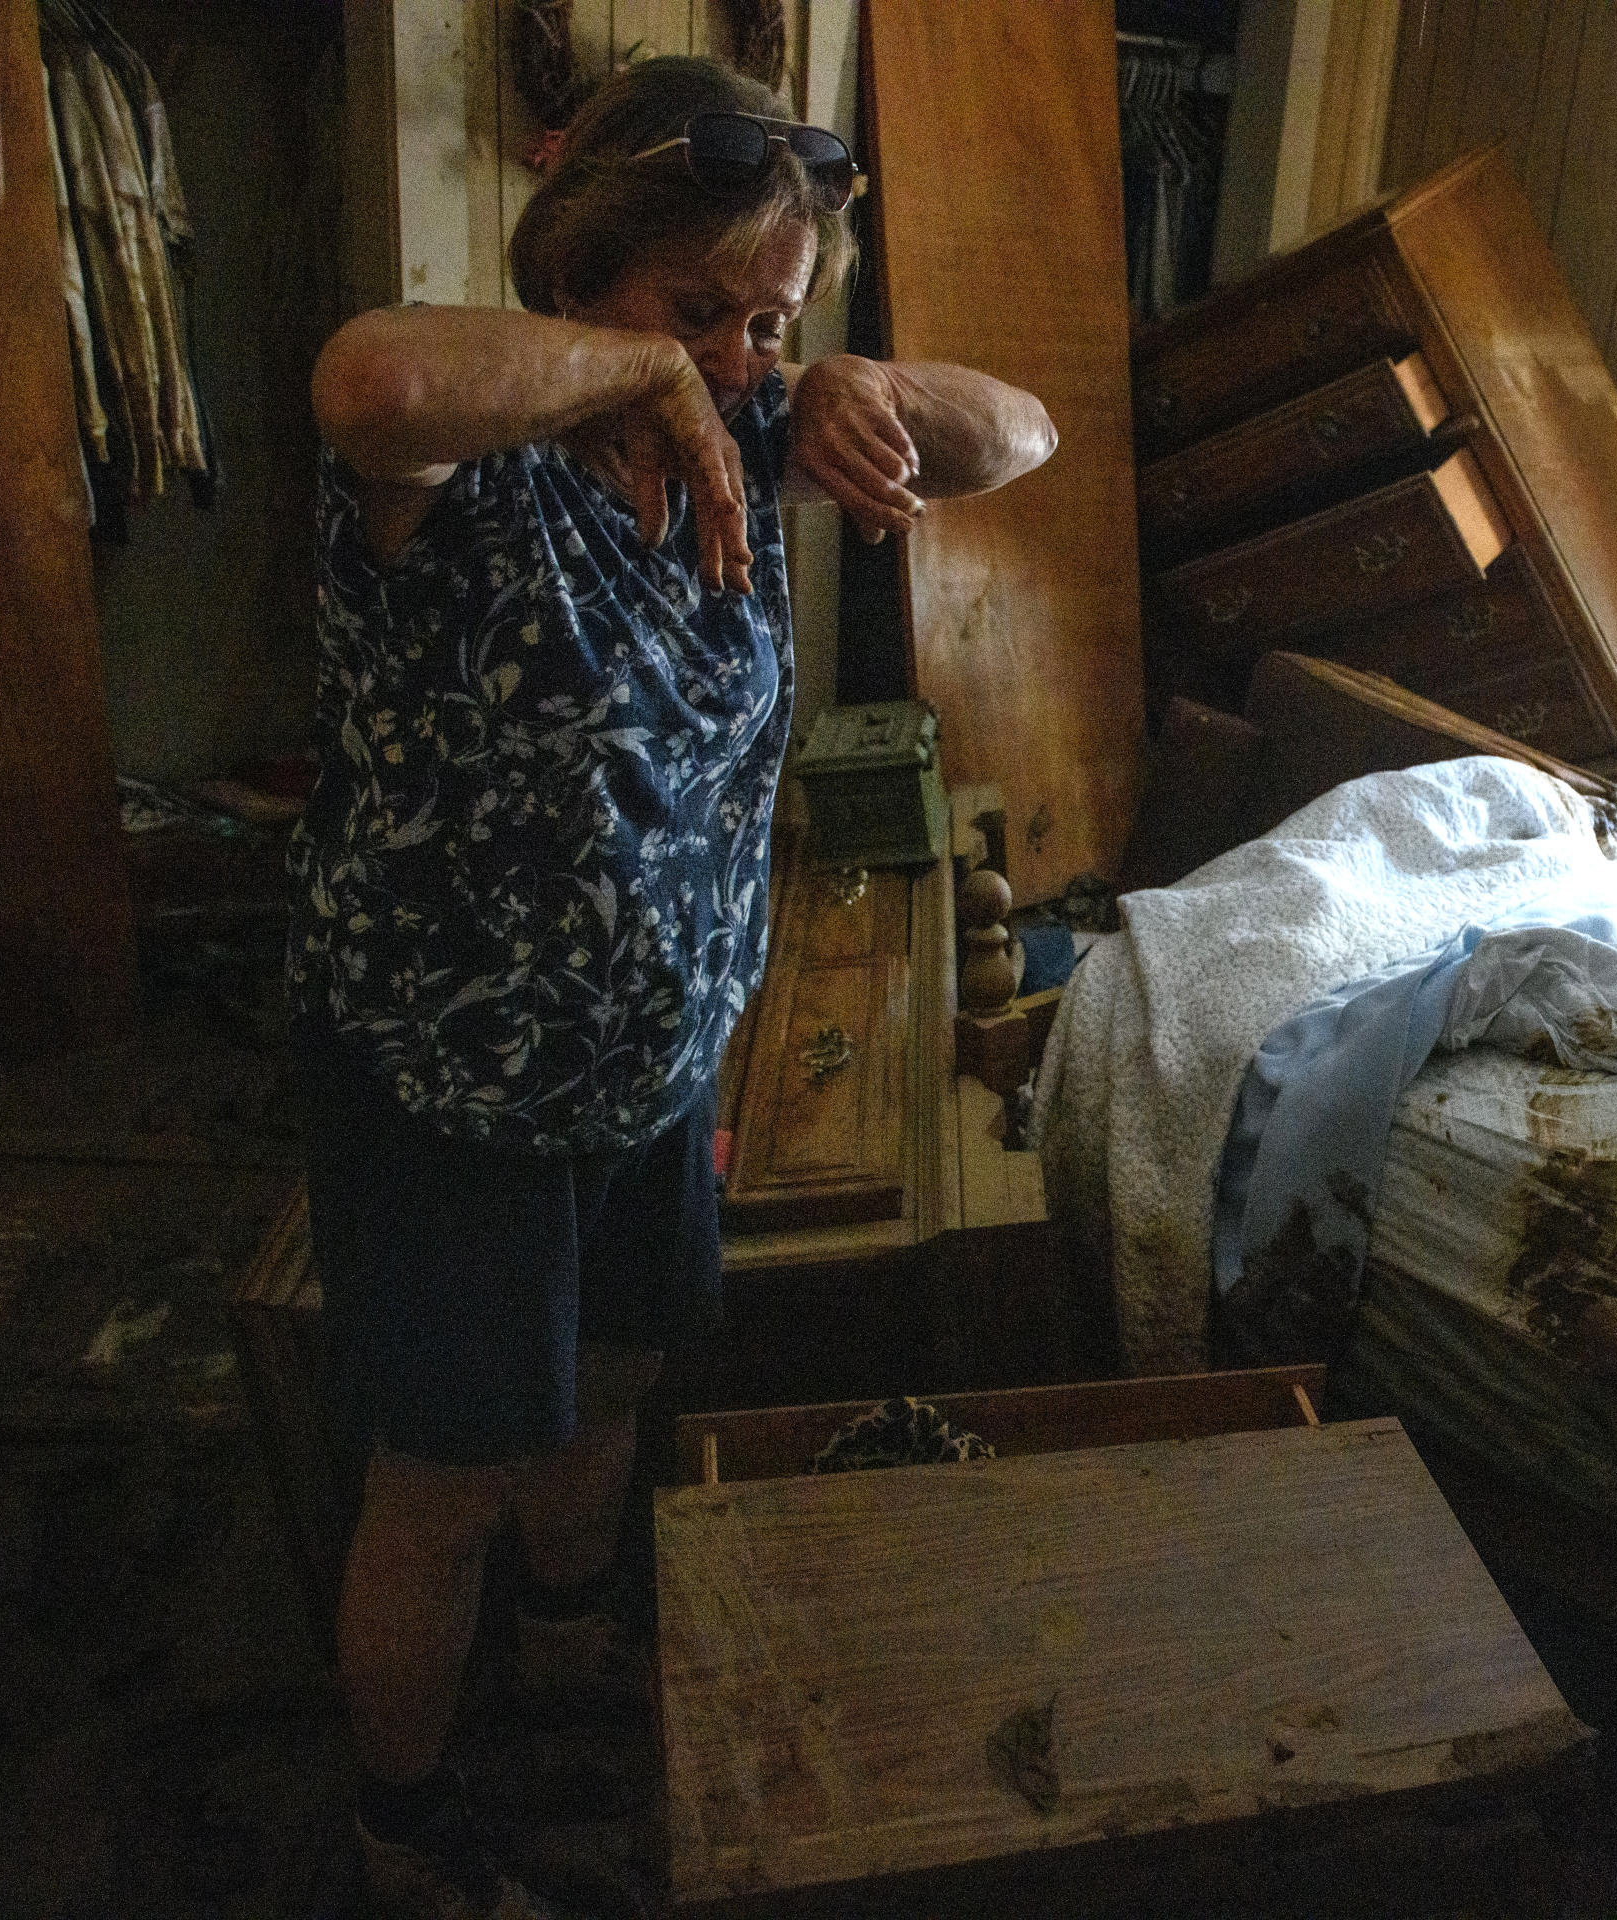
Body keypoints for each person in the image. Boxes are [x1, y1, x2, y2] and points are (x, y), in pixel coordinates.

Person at [290, 55, 1053, 1920]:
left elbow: (1020, 431)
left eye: (768, 319)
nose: (734, 358)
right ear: (578, 277)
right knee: (447, 1473)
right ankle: (402, 1838)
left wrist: (856, 382)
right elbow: (369, 378)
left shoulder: (761, 420)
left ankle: (565, 1688)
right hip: (449, 1076)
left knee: (612, 1387)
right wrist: (646, 376)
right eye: (689, 311)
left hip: (649, 1065)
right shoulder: (455, 476)